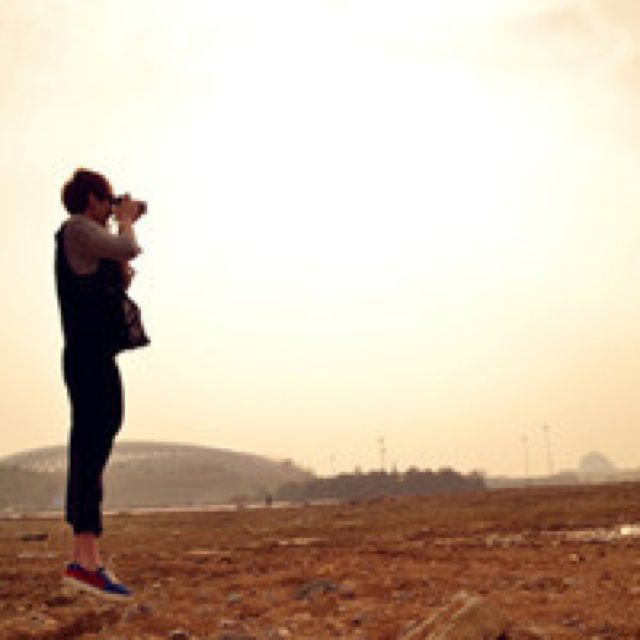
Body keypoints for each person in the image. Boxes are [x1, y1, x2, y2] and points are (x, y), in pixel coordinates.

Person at [55, 168, 145, 600]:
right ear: (90, 199)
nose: (111, 207)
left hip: (95, 355)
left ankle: (83, 559)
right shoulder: (76, 229)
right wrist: (125, 221)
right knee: (90, 448)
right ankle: (86, 563)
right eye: (107, 199)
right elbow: (128, 246)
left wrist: (121, 227)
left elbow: (121, 272)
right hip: (86, 357)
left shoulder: (90, 239)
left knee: (98, 440)